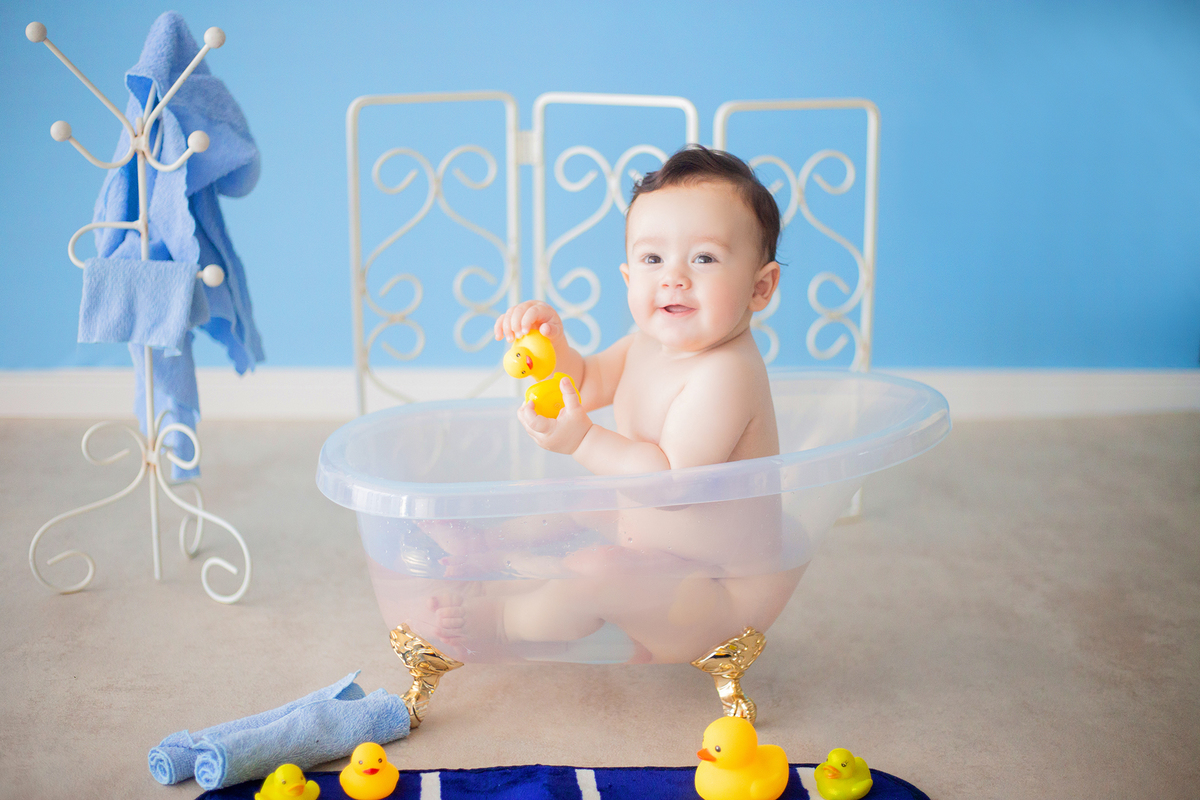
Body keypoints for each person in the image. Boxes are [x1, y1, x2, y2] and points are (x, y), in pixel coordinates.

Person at [431, 146, 803, 662]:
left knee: (595, 570)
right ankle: (488, 546)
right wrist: (552, 344)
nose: (674, 277)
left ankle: (504, 621)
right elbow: (585, 380)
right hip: (657, 553)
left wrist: (583, 439)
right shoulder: (648, 345)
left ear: (760, 287)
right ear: (630, 278)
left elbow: (670, 483)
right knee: (578, 495)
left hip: (712, 597)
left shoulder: (726, 373)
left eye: (704, 258)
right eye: (653, 259)